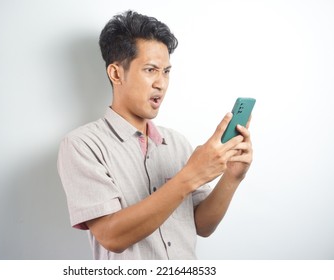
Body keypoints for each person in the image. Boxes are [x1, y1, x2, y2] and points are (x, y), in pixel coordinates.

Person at [57, 10, 253, 260]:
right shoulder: (82, 145)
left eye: (166, 71)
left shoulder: (178, 143)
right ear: (116, 74)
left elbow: (202, 226)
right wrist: (190, 176)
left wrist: (233, 176)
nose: (161, 83)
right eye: (150, 70)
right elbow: (111, 237)